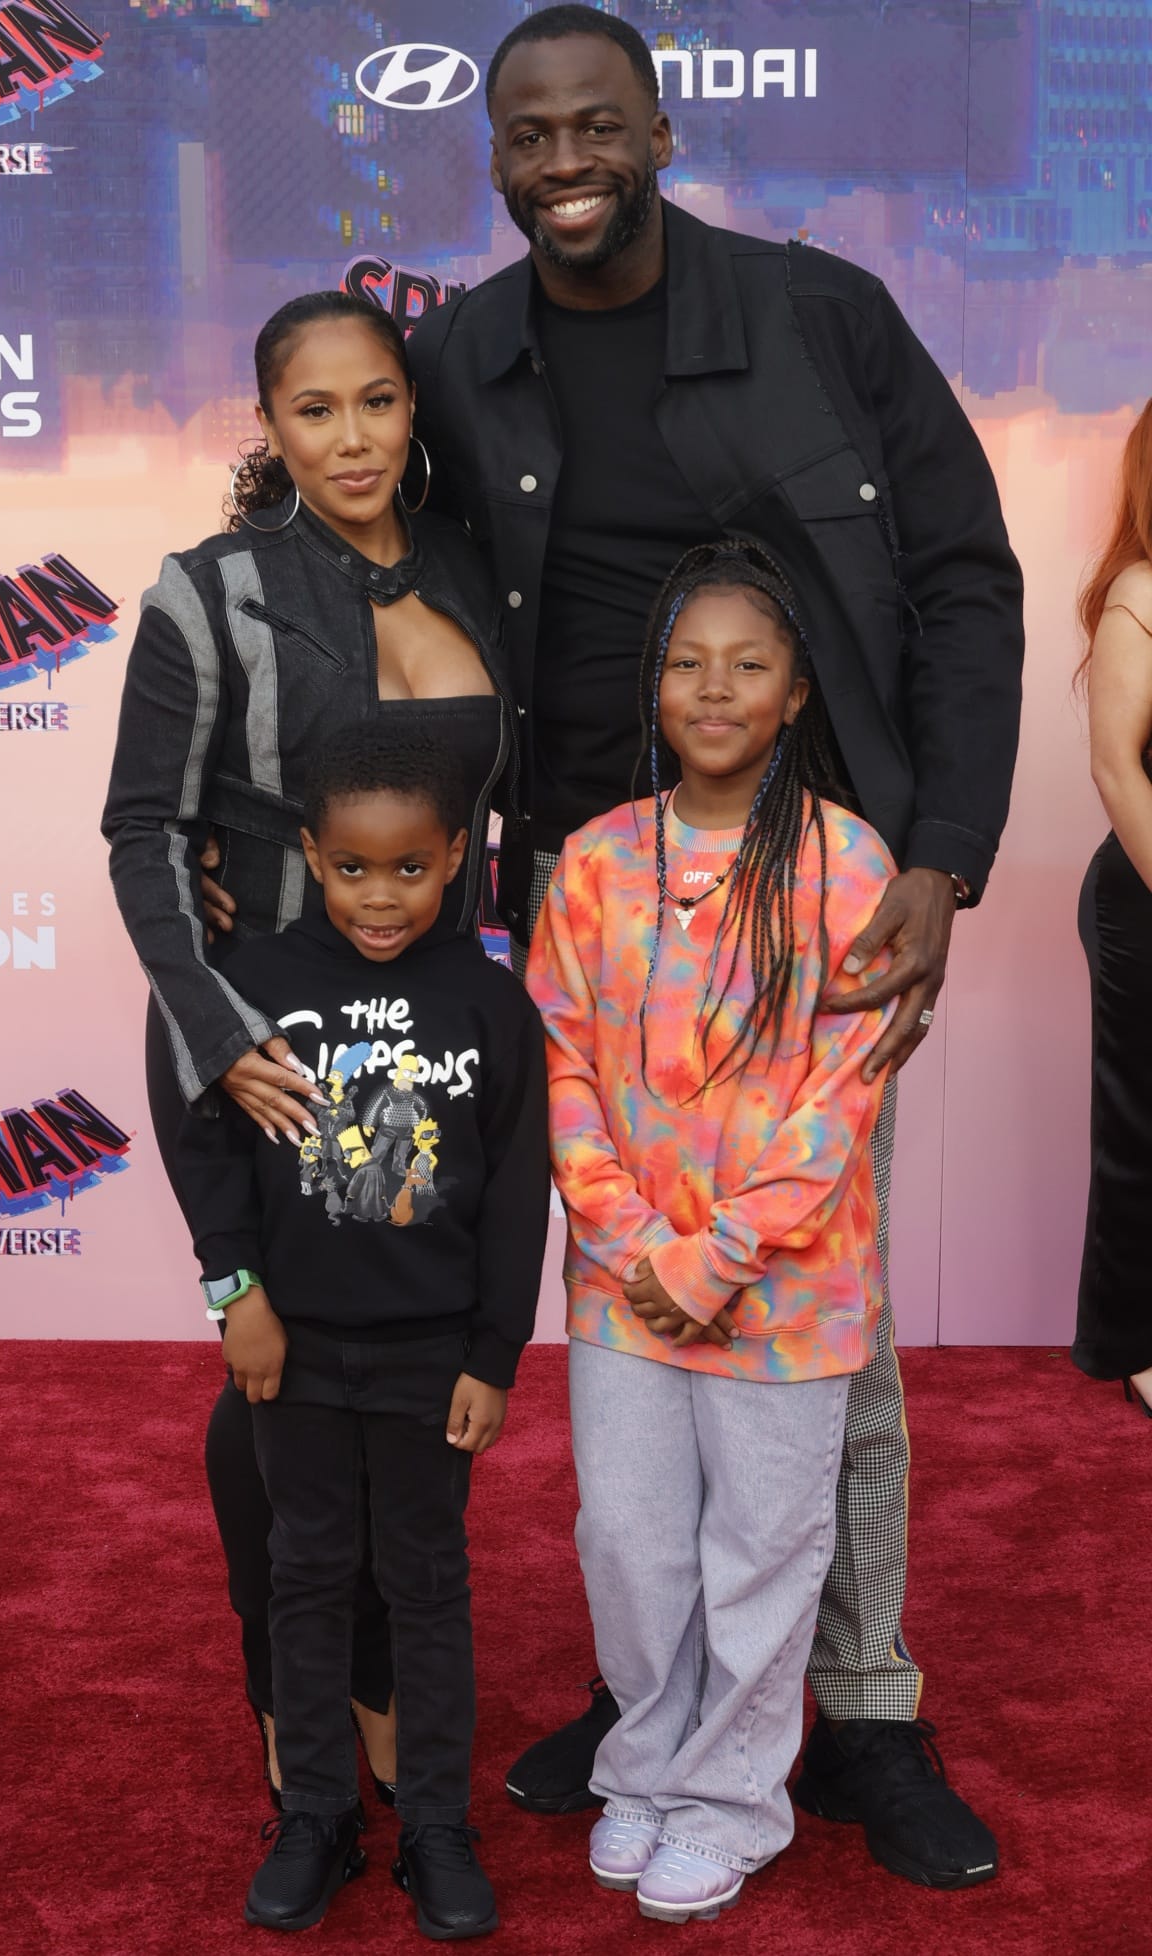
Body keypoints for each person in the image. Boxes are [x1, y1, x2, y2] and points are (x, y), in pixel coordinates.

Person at [406, 3, 1021, 1887]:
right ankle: (658, 1696)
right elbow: (391, 590)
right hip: (587, 902)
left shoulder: (816, 318)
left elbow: (960, 574)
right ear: (497, 156)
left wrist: (942, 853)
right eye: (530, 135)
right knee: (630, 1331)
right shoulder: (464, 354)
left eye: (600, 125)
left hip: (814, 892)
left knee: (818, 1327)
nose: (565, 160)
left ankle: (867, 1708)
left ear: (662, 134)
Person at [101, 290, 516, 1807]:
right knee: (269, 1374)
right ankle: (298, 1699)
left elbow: (492, 823)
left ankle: (384, 1688)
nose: (353, 437)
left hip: (431, 1041)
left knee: (399, 1377)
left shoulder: (481, 572)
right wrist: (217, 1029)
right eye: (316, 410)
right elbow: (142, 827)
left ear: (416, 410)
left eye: (380, 403)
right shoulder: (208, 592)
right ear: (269, 428)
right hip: (263, 1049)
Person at [525, 541, 895, 1922]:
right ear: (655, 685)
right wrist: (635, 1245)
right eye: (689, 664)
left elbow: (842, 1093)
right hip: (625, 1286)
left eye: (749, 665)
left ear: (796, 692)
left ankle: (735, 1799)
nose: (716, 688)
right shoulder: (598, 862)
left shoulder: (846, 862)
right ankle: (644, 1763)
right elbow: (563, 1063)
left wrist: (718, 1254)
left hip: (783, 1292)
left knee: (761, 1550)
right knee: (629, 1541)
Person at [175, 726, 549, 1938]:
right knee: (307, 1579)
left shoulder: (492, 1002)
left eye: (407, 869)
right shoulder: (258, 983)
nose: (379, 897)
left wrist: (495, 1356)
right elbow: (219, 1162)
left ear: (456, 860)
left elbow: (514, 1197)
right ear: (311, 855)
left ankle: (436, 1821)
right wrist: (240, 1299)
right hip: (296, 1353)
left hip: (433, 1360)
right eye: (350, 870)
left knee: (430, 1589)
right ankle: (319, 1811)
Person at [1073, 398, 1152, 1419]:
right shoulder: (1140, 591)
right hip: (1144, 891)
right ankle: (1137, 1341)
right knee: (1144, 1120)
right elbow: (1118, 769)